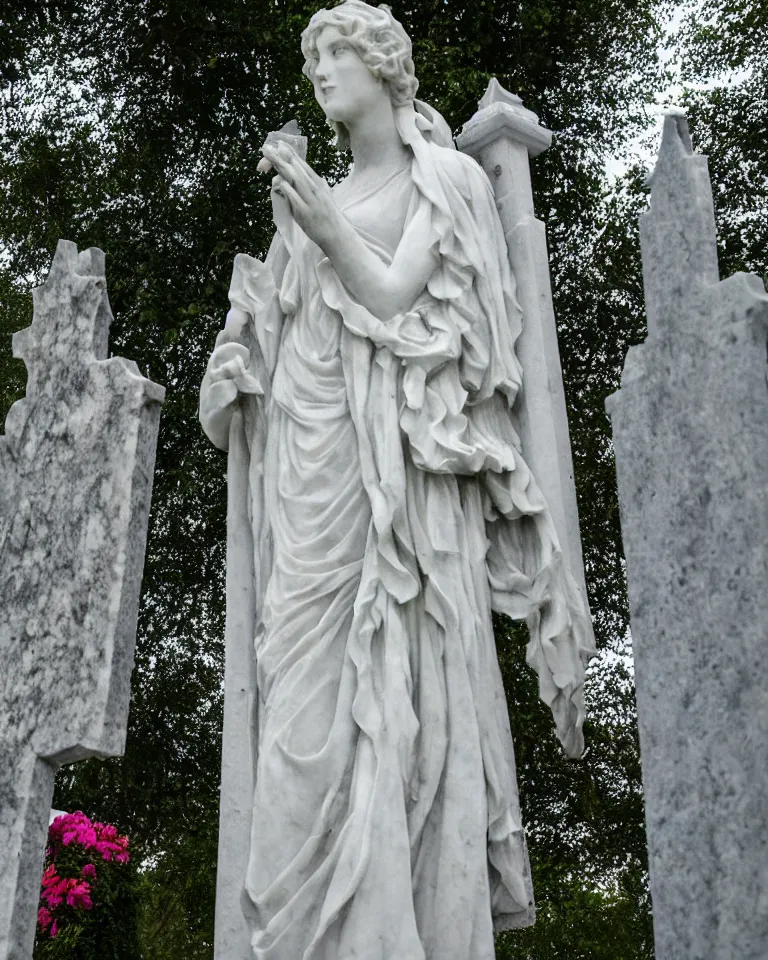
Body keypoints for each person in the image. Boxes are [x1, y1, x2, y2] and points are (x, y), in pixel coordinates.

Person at [200, 3, 594, 957]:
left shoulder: (444, 179)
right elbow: (289, 335)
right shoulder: (310, 204)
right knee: (300, 694)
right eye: (314, 59)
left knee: (393, 698)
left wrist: (316, 214)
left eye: (337, 54)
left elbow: (392, 295)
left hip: (397, 494)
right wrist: (232, 380)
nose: (321, 73)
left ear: (384, 69)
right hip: (306, 473)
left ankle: (390, 928)